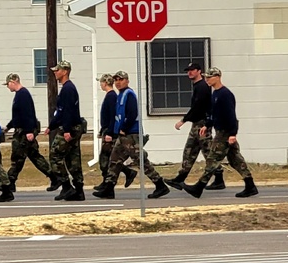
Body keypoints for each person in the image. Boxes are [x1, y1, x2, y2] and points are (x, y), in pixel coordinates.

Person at [93, 71, 170, 200]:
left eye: (121, 79)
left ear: (127, 81)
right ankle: (108, 188)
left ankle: (160, 185)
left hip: (131, 134)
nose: (118, 82)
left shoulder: (129, 94)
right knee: (114, 160)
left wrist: (123, 128)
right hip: (123, 135)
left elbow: (132, 113)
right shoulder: (120, 95)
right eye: (116, 80)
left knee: (140, 161)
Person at [182, 68, 259, 198]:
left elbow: (231, 115)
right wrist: (207, 125)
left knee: (212, 159)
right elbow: (214, 114)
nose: (207, 80)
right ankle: (250, 186)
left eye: (209, 77)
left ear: (218, 77)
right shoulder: (215, 94)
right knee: (235, 160)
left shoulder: (225, 94)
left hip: (225, 133)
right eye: (206, 77)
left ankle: (199, 187)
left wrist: (232, 134)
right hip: (220, 130)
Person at [166, 63, 225, 192]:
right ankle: (180, 178)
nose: (190, 73)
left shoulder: (203, 87)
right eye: (188, 71)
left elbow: (198, 107)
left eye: (192, 70)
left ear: (199, 71)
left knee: (207, 152)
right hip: (198, 123)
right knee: (191, 151)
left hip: (201, 124)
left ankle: (219, 178)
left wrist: (183, 120)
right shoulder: (198, 86)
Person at [44, 60, 86, 201]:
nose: (55, 72)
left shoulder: (68, 89)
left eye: (58, 70)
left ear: (65, 71)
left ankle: (67, 187)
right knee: (73, 159)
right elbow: (60, 112)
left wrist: (67, 130)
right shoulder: (68, 88)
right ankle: (79, 191)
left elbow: (67, 112)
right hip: (73, 127)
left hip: (70, 128)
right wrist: (51, 126)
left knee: (55, 155)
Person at [3, 73, 53, 190]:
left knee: (17, 158)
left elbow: (28, 114)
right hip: (22, 130)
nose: (8, 87)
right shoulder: (19, 95)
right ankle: (55, 177)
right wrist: (8, 127)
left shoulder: (23, 95)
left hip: (24, 132)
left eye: (8, 84)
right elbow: (18, 116)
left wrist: (29, 131)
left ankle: (9, 182)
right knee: (34, 156)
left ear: (13, 81)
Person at [92, 74, 136, 194]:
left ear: (105, 83)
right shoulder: (111, 95)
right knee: (109, 159)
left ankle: (121, 176)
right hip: (107, 130)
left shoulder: (111, 96)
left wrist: (110, 132)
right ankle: (107, 183)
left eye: (101, 82)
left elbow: (113, 116)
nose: (100, 85)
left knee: (108, 160)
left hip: (111, 132)